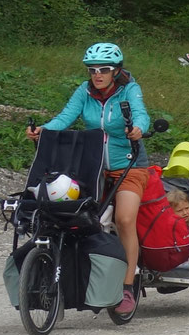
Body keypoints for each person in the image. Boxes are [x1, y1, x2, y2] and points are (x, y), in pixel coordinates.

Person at [28, 42, 151, 316]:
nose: (97, 74)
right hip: (91, 166)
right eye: (92, 69)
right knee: (75, 217)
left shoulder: (129, 90)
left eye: (104, 69)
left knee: (125, 219)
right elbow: (65, 118)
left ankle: (127, 287)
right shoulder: (83, 92)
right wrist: (43, 131)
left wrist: (139, 128)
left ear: (116, 71)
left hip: (128, 166)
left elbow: (142, 114)